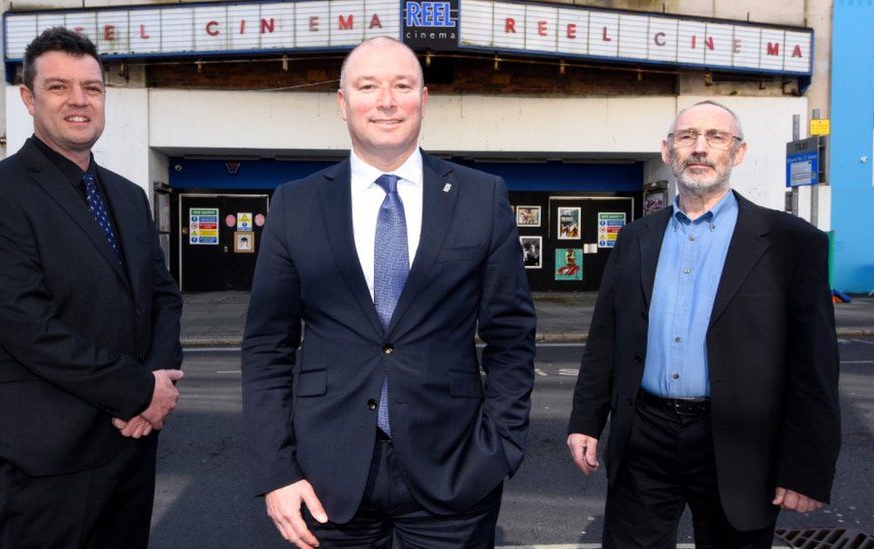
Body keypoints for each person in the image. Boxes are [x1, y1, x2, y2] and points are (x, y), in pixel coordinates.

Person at [241, 37, 536, 547]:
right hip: (324, 478)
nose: (386, 100)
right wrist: (276, 472)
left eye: (402, 85)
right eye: (368, 85)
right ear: (341, 102)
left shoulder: (481, 198)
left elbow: (512, 336)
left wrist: (501, 446)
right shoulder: (295, 206)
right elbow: (268, 348)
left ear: (424, 100)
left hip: (455, 473)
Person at [567, 100, 840, 548]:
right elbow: (606, 340)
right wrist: (585, 421)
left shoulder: (792, 243)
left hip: (740, 442)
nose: (700, 147)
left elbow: (814, 366)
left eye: (716, 137)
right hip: (644, 437)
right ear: (668, 149)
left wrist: (806, 468)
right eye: (687, 136)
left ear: (738, 152)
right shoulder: (636, 238)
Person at [0, 27, 184, 549]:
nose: (79, 101)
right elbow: (28, 328)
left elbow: (163, 297)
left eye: (93, 88)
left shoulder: (127, 196)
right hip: (48, 458)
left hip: (132, 443)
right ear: (29, 99)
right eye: (59, 87)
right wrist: (138, 391)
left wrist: (159, 386)